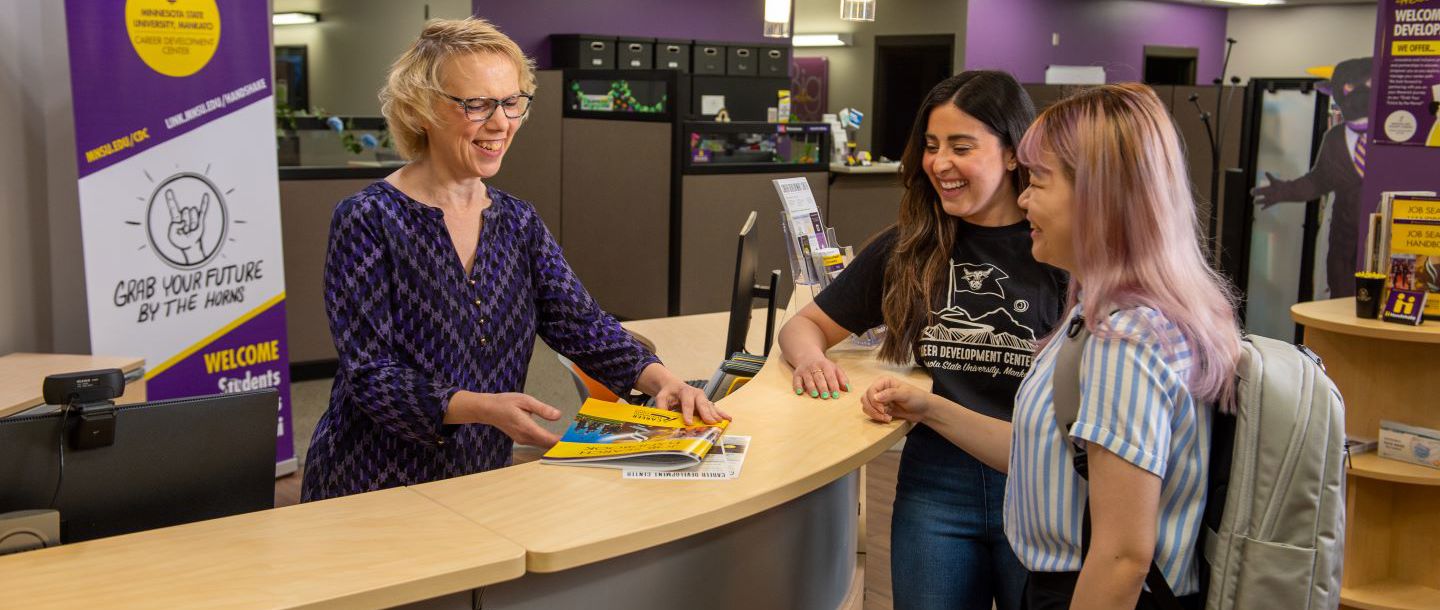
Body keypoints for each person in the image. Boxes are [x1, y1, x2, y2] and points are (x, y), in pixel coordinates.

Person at [301, 18, 726, 502]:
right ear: (421, 111)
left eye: (511, 102)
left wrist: (662, 380)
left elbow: (580, 324)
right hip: (372, 482)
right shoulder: (368, 218)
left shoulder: (517, 221)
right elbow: (371, 374)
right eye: (477, 104)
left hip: (481, 474)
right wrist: (482, 408)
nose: (501, 122)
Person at [861, 84, 1242, 609]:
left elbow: (1121, 557)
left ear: (1096, 197)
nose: (1023, 198)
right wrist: (929, 407)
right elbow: (1046, 455)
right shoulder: (1099, 315)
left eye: (1038, 181)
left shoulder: (1125, 342)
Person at [778, 71, 1067, 610]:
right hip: (937, 484)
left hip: (1036, 484)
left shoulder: (1057, 244)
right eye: (931, 147)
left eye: (962, 147)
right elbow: (803, 325)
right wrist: (810, 360)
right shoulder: (912, 247)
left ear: (1012, 153)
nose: (939, 164)